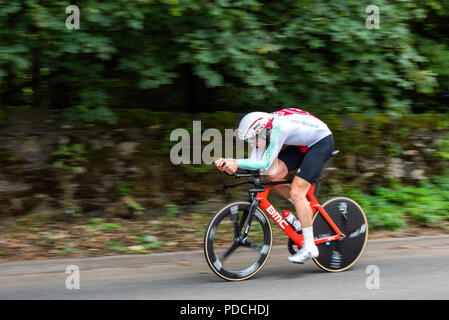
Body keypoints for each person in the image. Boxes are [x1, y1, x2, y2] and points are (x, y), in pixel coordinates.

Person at [215, 108, 334, 264]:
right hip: (301, 144)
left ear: (263, 131)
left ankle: (310, 246)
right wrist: (228, 164)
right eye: (249, 141)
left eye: (253, 139)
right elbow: (256, 165)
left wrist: (236, 161)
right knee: (271, 176)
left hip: (320, 142)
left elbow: (263, 162)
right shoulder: (265, 129)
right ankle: (304, 210)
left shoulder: (279, 128)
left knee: (297, 192)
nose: (252, 145)